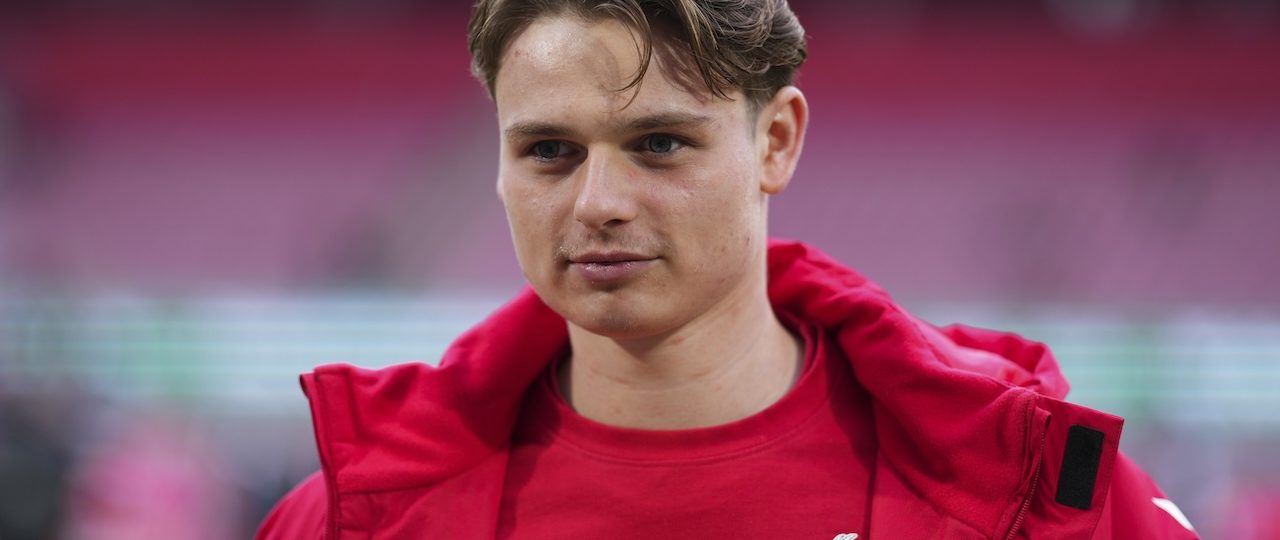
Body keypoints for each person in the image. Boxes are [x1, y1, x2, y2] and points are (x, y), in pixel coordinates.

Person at [257, 1, 1199, 538]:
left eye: (660, 143)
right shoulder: (350, 519)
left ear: (776, 142)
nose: (597, 203)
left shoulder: (1042, 496)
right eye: (549, 151)